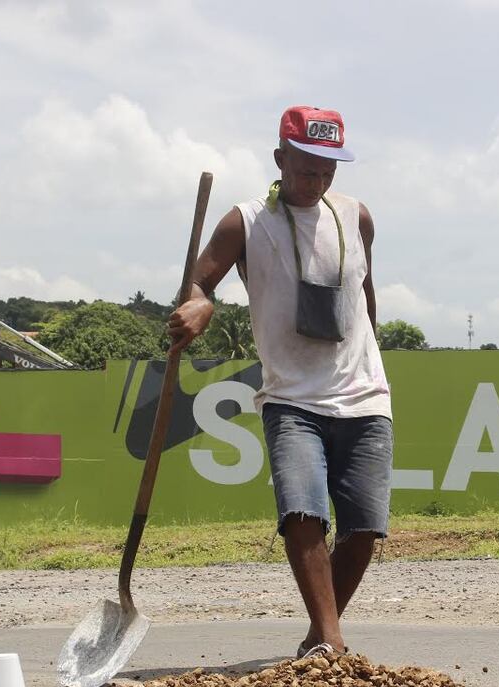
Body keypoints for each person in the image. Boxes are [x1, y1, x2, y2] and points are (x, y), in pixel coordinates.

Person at [168, 105, 392, 659]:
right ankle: (333, 644)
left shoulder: (357, 217)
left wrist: (372, 345)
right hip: (291, 395)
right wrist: (198, 309)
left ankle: (319, 636)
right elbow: (198, 284)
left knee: (363, 529)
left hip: (364, 394)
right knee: (302, 512)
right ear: (280, 159)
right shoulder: (245, 222)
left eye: (328, 169)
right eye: (307, 167)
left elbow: (366, 293)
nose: (318, 180)